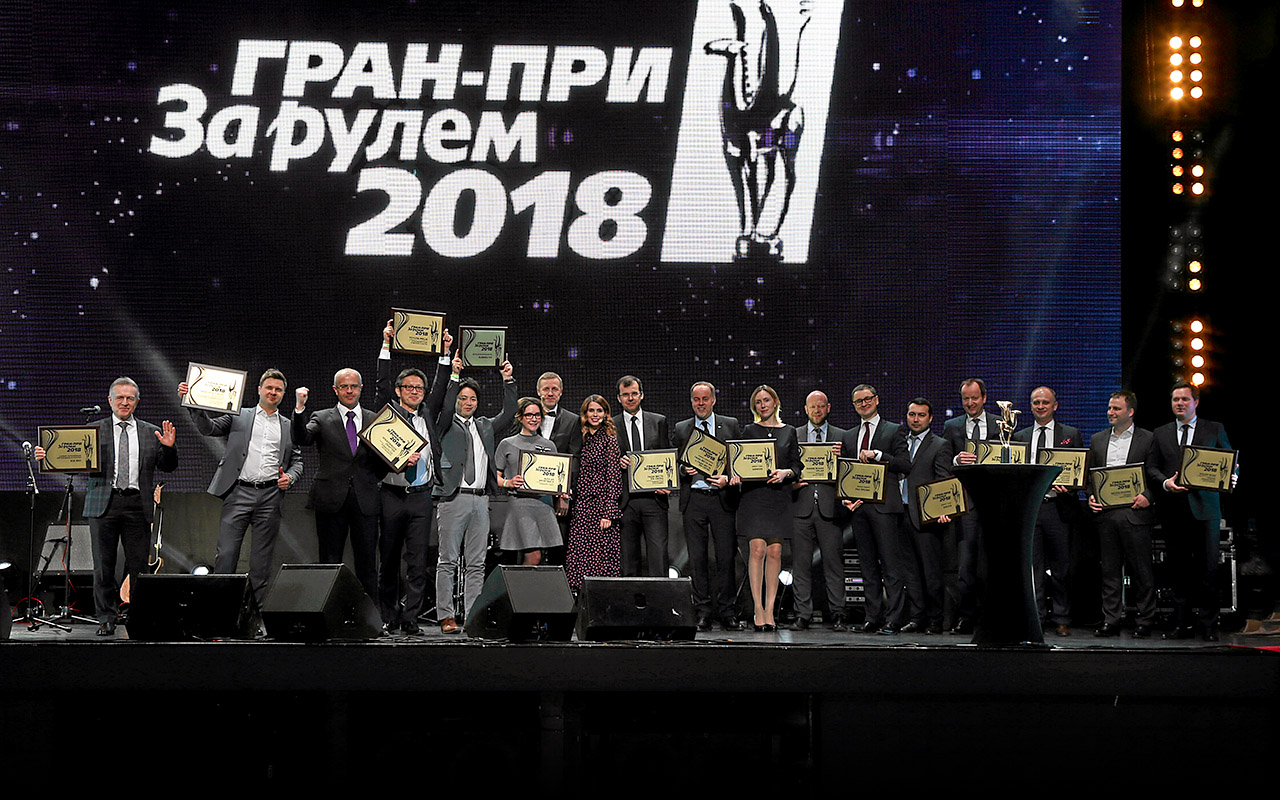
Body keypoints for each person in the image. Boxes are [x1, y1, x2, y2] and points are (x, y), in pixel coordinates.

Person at [36, 378, 177, 636]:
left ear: (137, 401)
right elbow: (74, 461)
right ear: (110, 401)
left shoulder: (151, 432)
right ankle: (106, 618)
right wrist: (49, 457)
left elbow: (168, 466)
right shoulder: (94, 430)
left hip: (138, 504)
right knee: (103, 566)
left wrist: (168, 448)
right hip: (104, 503)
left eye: (130, 398)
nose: (125, 402)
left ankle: (139, 618)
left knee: (139, 567)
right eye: (119, 397)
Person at [178, 369, 302, 609]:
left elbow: (297, 461)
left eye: (278, 390)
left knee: (261, 562)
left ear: (283, 394)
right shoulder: (239, 415)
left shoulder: (289, 426)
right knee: (226, 555)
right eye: (269, 387)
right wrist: (193, 403)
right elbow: (208, 428)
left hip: (270, 496)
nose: (273, 392)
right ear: (259, 389)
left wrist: (291, 477)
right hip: (239, 492)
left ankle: (255, 614)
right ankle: (220, 612)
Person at [372, 322, 452, 633]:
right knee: (389, 559)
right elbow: (381, 384)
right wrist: (386, 345)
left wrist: (445, 354)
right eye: (409, 387)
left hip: (421, 497)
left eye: (419, 388)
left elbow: (441, 388)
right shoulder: (389, 413)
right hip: (392, 495)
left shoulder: (428, 414)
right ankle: (389, 615)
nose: (415, 392)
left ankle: (411, 618)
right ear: (399, 391)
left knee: (418, 562)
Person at [433, 352, 517, 634]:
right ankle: (446, 615)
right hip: (453, 497)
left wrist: (508, 380)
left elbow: (509, 412)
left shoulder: (485, 426)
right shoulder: (445, 423)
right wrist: (454, 376)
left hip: (481, 500)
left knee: (477, 563)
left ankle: (472, 615)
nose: (468, 403)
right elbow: (445, 405)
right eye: (463, 398)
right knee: (447, 561)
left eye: (472, 399)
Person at [292, 367, 387, 600]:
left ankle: (371, 615)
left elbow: (385, 459)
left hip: (365, 500)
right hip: (330, 500)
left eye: (353, 386)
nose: (349, 390)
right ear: (335, 390)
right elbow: (302, 438)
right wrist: (299, 408)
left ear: (361, 388)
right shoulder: (322, 417)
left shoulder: (375, 419)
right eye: (344, 386)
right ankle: (329, 614)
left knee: (367, 563)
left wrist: (403, 461)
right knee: (329, 561)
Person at [1152, 381, 1235, 641]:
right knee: (1179, 571)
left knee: (1208, 569)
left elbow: (1229, 461)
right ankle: (1181, 624)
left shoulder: (1214, 428)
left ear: (1195, 402)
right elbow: (1151, 467)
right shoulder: (1160, 432)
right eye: (1175, 399)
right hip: (1173, 511)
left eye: (1184, 399)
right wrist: (1165, 483)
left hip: (1206, 510)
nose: (1179, 403)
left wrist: (1232, 475)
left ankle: (1209, 626)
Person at [840, 384, 913, 634]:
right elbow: (847, 472)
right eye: (858, 401)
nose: (864, 404)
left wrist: (879, 455)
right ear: (854, 405)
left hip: (885, 508)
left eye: (867, 399)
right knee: (867, 566)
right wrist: (846, 498)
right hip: (859, 509)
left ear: (877, 400)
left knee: (891, 566)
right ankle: (873, 617)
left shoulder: (893, 430)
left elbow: (905, 465)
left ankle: (895, 619)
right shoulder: (849, 436)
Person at [1011, 386, 1083, 636]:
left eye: (1045, 402)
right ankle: (1037, 617)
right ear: (1030, 406)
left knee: (1062, 567)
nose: (1040, 406)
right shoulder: (1019, 436)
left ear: (1055, 405)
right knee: (1034, 568)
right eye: (1036, 402)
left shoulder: (1070, 434)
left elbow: (1079, 470)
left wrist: (1071, 487)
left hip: (1059, 509)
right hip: (1031, 510)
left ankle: (1062, 617)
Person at [1087, 390, 1160, 638]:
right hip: (1106, 516)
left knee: (1141, 571)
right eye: (1109, 408)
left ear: (1131, 412)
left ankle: (1145, 619)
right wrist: (1091, 496)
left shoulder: (1148, 439)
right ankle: (1111, 619)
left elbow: (1155, 473)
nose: (1111, 412)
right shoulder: (1097, 439)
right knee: (1109, 572)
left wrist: (1148, 496)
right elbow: (1091, 476)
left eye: (1116, 408)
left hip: (1135, 513)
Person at [729, 385, 801, 631]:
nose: (763, 405)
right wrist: (735, 475)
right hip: (754, 497)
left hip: (779, 497)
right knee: (757, 549)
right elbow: (738, 461)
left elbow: (797, 465)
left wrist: (786, 473)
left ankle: (771, 609)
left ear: (775, 402)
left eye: (766, 400)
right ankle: (757, 609)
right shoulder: (749, 431)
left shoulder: (789, 431)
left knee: (775, 551)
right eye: (758, 402)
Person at [672, 381, 742, 631]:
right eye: (696, 399)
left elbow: (739, 461)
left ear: (713, 400)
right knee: (697, 559)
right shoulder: (682, 428)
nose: (700, 403)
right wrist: (683, 470)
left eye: (704, 399)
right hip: (694, 500)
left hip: (722, 499)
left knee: (726, 558)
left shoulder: (730, 425)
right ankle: (702, 611)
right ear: (691, 401)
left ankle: (727, 611)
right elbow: (673, 463)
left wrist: (728, 478)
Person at [942, 377, 1002, 634]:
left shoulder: (1000, 424)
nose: (970, 403)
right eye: (966, 399)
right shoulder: (951, 426)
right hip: (966, 504)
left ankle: (994, 616)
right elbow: (944, 462)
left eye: (974, 398)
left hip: (994, 503)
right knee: (966, 565)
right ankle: (966, 617)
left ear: (984, 398)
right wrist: (957, 459)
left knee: (993, 564)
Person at [896, 397, 954, 635]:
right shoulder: (899, 443)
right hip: (900, 515)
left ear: (930, 418)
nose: (916, 419)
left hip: (926, 518)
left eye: (921, 415)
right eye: (912, 414)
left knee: (931, 573)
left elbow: (943, 479)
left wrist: (943, 510)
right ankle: (916, 618)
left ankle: (935, 620)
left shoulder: (940, 445)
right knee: (910, 573)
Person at [790, 390, 847, 630]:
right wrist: (792, 483)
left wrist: (842, 459)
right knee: (801, 566)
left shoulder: (842, 437)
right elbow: (784, 468)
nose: (817, 410)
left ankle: (838, 614)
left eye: (821, 406)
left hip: (830, 508)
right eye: (812, 406)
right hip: (800, 508)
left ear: (828, 408)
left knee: (833, 565)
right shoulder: (793, 435)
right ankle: (802, 614)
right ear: (805, 409)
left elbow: (851, 472)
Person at [494, 398, 566, 565]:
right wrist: (508, 483)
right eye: (529, 415)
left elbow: (557, 478)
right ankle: (518, 583)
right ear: (520, 417)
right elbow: (494, 477)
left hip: (545, 505)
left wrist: (563, 494)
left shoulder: (549, 445)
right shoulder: (507, 444)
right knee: (533, 556)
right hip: (521, 505)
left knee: (547, 558)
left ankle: (529, 583)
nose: (534, 419)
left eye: (537, 415)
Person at [615, 376, 671, 577]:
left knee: (658, 557)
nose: (630, 398)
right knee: (628, 559)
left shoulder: (658, 421)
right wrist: (617, 462)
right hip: (625, 501)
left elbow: (667, 457)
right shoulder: (610, 425)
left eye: (634, 394)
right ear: (619, 398)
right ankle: (632, 598)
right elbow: (604, 463)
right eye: (625, 395)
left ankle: (661, 597)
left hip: (654, 500)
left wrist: (667, 483)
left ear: (642, 395)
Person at [566, 396, 624, 591]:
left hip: (601, 508)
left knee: (601, 557)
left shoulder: (609, 440)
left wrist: (608, 512)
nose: (595, 414)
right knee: (580, 555)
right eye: (591, 410)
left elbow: (614, 477)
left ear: (605, 414)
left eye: (599, 410)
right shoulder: (581, 439)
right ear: (585, 413)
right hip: (582, 506)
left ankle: (602, 598)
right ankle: (580, 598)